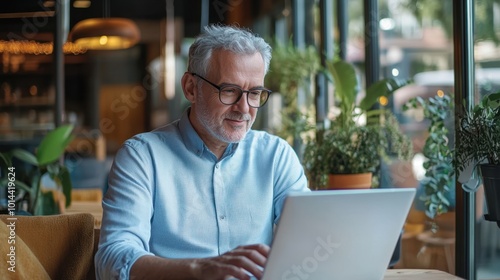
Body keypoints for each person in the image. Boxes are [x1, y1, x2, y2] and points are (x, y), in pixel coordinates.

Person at [95, 24, 309, 280]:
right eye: (229, 91)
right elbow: (112, 259)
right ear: (191, 88)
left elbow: (310, 237)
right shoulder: (141, 158)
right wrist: (199, 270)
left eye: (254, 93)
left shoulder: (276, 156)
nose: (244, 108)